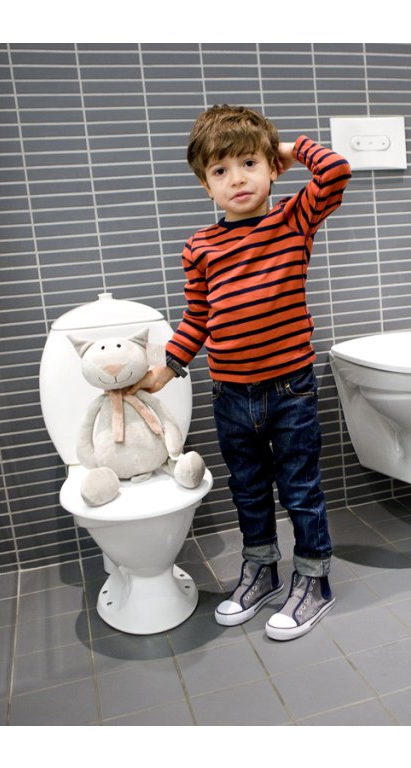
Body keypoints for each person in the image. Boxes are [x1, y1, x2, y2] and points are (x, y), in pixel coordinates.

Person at [133, 105, 351, 641]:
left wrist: (286, 149)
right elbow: (197, 318)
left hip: (290, 389)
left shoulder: (293, 220)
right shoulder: (200, 247)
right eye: (220, 170)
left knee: (300, 489)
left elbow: (336, 171)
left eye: (249, 163)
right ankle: (261, 569)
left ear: (272, 168)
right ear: (205, 183)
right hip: (230, 393)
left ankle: (314, 579)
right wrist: (168, 368)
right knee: (249, 491)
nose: (237, 179)